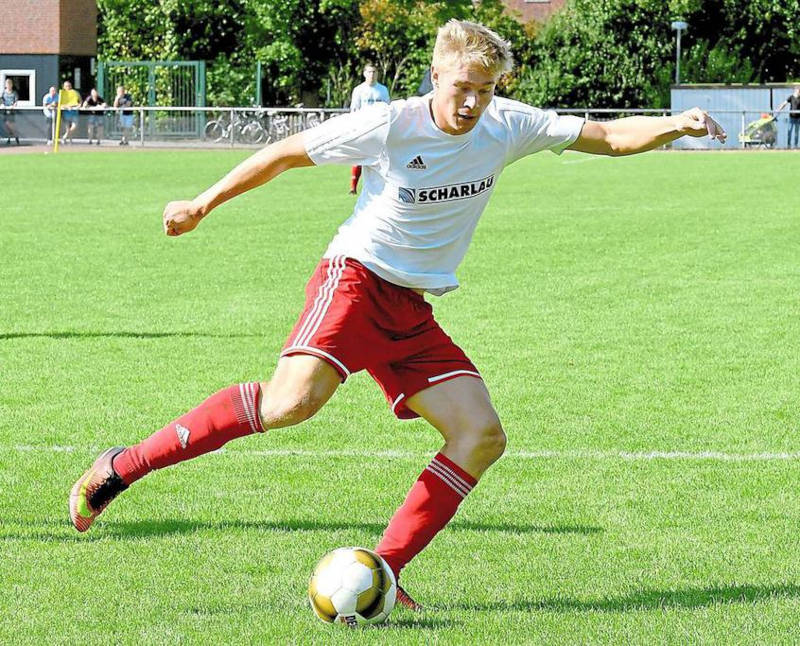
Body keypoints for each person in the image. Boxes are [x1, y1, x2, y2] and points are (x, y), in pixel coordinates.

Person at [69, 20, 725, 609]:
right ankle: (121, 466)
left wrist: (677, 125)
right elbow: (284, 153)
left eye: (486, 89)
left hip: (410, 307)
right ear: (436, 74)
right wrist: (201, 203)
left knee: (481, 436)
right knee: (292, 404)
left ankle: (384, 570)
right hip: (354, 279)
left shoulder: (508, 125)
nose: (472, 102)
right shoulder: (392, 122)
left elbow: (607, 136)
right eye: (462, 85)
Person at [348, 64, 390, 194]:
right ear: (364, 73)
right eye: (369, 72)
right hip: (363, 128)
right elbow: (354, 110)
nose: (372, 75)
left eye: (374, 72)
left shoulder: (383, 90)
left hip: (379, 128)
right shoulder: (359, 90)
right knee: (359, 157)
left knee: (381, 158)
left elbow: (388, 108)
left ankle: (383, 186)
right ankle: (353, 187)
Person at [2, 78, 20, 145]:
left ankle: (15, 137)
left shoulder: (14, 93)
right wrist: (3, 105)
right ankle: (10, 138)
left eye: (10, 84)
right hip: (6, 111)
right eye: (7, 84)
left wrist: (14, 105)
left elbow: (16, 101)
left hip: (12, 111)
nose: (9, 85)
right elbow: (1, 100)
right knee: (7, 125)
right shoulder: (3, 92)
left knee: (12, 125)